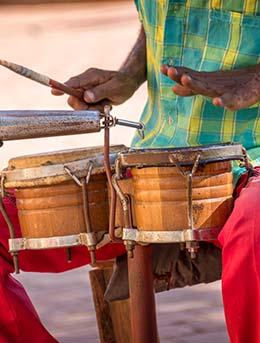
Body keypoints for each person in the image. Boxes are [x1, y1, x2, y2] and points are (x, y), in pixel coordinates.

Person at [1, 1, 260, 342]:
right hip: (150, 160)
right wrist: (130, 73)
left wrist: (253, 80)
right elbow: (159, 17)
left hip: (249, 159)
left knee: (254, 226)